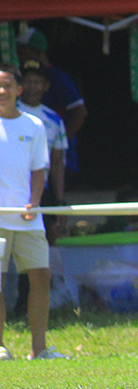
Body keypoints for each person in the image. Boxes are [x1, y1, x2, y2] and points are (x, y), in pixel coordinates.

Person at [0, 63, 68, 360]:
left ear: (18, 89)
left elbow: (39, 169)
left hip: (29, 218)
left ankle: (39, 348)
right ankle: (1, 347)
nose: (1, 91)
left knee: (41, 277)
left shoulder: (34, 125)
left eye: (6, 85)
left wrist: (35, 202)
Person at [12, 59, 70, 319]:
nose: (33, 86)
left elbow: (56, 165)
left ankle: (29, 307)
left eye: (38, 81)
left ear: (46, 86)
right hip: (9, 194)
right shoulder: (9, 114)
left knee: (36, 258)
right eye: (28, 80)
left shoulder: (52, 120)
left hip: (38, 195)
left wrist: (58, 202)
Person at [16, 27, 87, 182]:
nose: (20, 57)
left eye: (24, 52)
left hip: (55, 164)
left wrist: (58, 144)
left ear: (37, 53)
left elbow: (79, 112)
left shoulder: (57, 77)